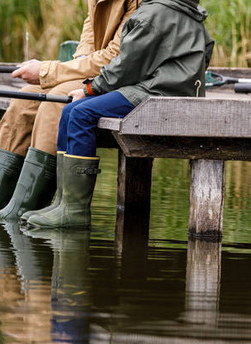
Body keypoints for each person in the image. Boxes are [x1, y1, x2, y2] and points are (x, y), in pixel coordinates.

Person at [26, 0, 214, 229]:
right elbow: (206, 52)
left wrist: (90, 88)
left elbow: (125, 67)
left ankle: (74, 211)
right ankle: (62, 203)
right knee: (70, 110)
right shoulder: (191, 14)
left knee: (80, 114)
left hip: (154, 94)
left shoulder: (152, 14)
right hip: (169, 91)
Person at [0, 0, 141, 222]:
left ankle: (24, 206)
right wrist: (75, 67)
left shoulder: (140, 3)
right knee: (23, 101)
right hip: (96, 70)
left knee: (54, 100)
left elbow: (116, 57)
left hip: (122, 78)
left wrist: (50, 70)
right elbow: (89, 40)